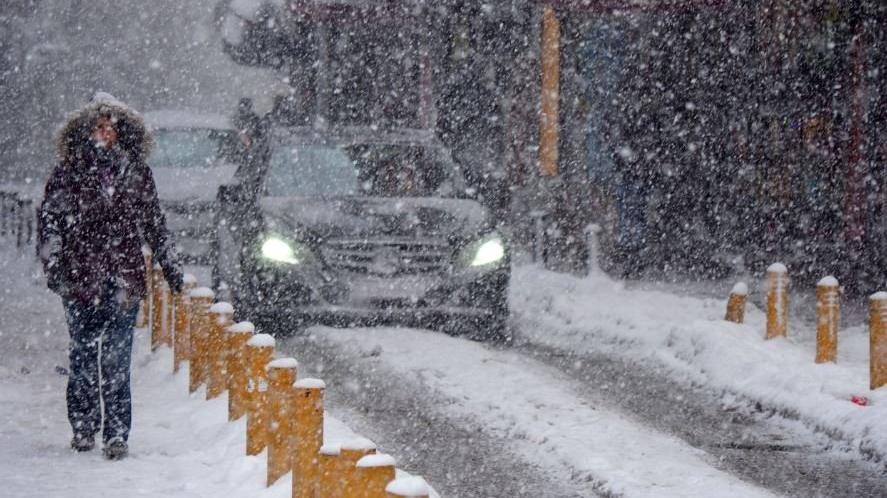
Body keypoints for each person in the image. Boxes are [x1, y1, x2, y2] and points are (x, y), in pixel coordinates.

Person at [38, 92, 183, 460]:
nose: (103, 132)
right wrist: (54, 264)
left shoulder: (136, 172)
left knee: (117, 360)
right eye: (97, 127)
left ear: (121, 132)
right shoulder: (68, 172)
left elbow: (154, 222)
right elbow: (51, 221)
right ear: (85, 132)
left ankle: (117, 433)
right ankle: (84, 426)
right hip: (79, 277)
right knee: (83, 355)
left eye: (109, 127)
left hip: (123, 279)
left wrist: (170, 264)